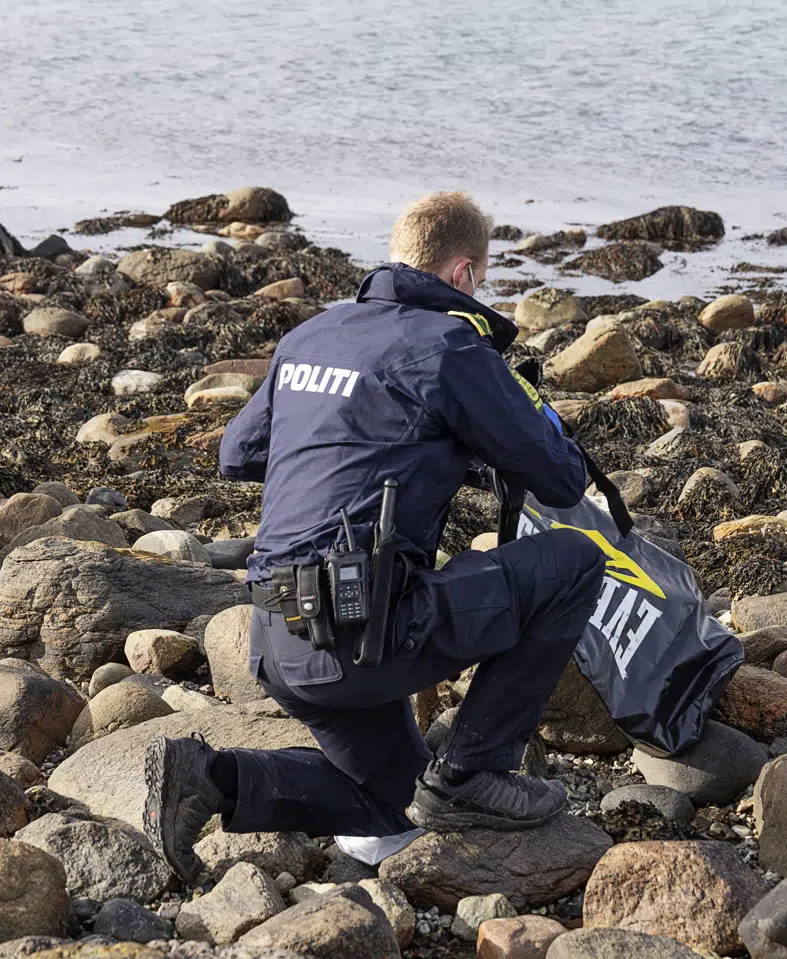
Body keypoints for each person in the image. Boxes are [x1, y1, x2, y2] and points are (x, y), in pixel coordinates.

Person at [143, 191, 606, 883]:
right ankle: (474, 768)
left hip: (276, 637)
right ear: (462, 275)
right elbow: (562, 477)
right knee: (575, 562)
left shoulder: (312, 335)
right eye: (480, 278)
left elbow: (236, 455)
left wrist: (363, 437)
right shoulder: (450, 345)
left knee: (395, 805)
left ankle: (210, 778)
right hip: (365, 635)